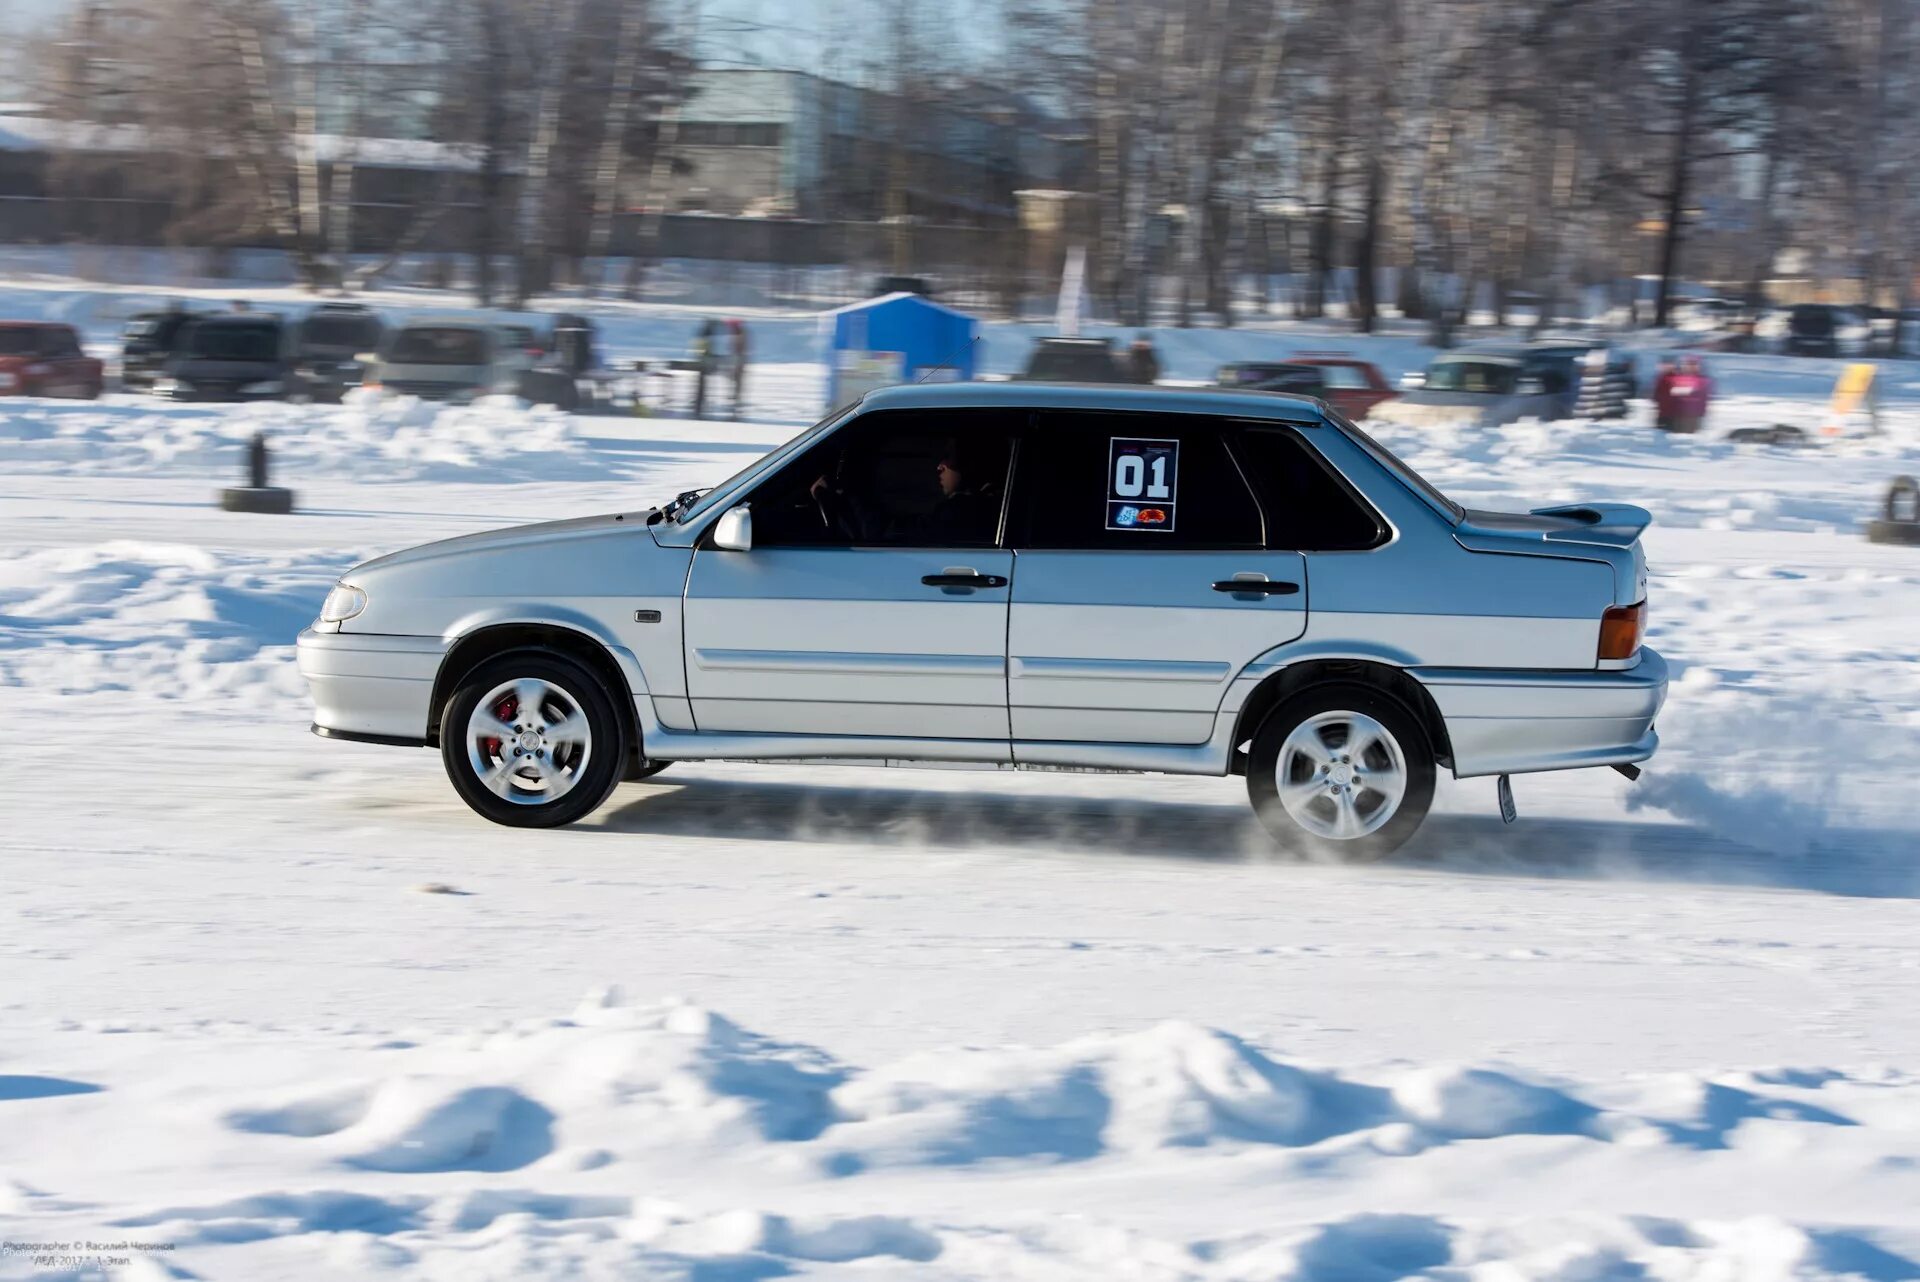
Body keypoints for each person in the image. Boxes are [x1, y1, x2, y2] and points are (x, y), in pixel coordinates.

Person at [809, 445, 996, 545]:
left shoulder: (964, 511)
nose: (939, 466)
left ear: (971, 463)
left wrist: (849, 496)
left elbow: (883, 536)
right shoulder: (984, 504)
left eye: (949, 457)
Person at [1668, 355, 1711, 434]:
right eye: (1689, 364)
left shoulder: (1702, 379)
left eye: (1694, 364)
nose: (1691, 367)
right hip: (1678, 414)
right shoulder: (1679, 377)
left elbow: (1702, 396)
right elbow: (1674, 392)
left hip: (1694, 415)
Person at [691, 318, 718, 419]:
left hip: (702, 361)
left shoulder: (703, 333)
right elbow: (704, 349)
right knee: (702, 386)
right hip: (704, 362)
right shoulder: (707, 334)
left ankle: (699, 406)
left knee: (701, 386)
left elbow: (699, 349)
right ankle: (699, 407)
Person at [727, 318, 750, 419]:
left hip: (738, 359)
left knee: (737, 380)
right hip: (737, 359)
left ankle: (736, 399)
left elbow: (740, 347)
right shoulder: (737, 333)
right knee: (735, 380)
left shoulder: (739, 333)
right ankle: (735, 397)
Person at [1650, 356, 1678, 431]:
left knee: (1669, 430)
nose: (1665, 367)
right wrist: (1655, 398)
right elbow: (1657, 390)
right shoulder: (1660, 377)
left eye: (1669, 365)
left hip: (1672, 411)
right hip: (1662, 409)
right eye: (1664, 365)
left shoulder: (1676, 377)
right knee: (1659, 430)